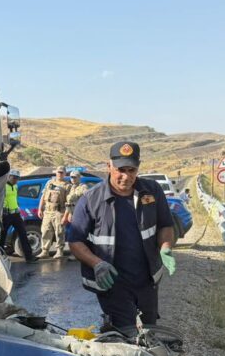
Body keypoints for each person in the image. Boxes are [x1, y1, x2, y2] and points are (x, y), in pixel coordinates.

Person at [66, 141, 177, 334]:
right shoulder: (91, 200)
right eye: (120, 170)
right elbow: (75, 241)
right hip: (112, 283)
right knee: (125, 333)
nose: (126, 176)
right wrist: (96, 263)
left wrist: (166, 246)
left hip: (147, 282)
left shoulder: (152, 192)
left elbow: (166, 225)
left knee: (150, 331)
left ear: (138, 167)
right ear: (108, 166)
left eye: (131, 170)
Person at [37, 166, 71, 258]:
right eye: (58, 172)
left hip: (59, 212)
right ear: (56, 173)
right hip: (48, 211)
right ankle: (45, 251)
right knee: (45, 231)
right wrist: (40, 209)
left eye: (62, 172)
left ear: (65, 174)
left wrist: (66, 215)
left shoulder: (67, 185)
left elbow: (69, 202)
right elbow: (43, 197)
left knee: (59, 232)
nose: (60, 174)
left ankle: (59, 251)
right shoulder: (49, 183)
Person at [1, 169, 34, 261]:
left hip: (16, 214)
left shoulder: (15, 186)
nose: (16, 180)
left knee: (23, 234)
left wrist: (18, 208)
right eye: (14, 177)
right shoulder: (3, 187)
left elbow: (15, 198)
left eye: (17, 178)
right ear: (9, 176)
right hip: (6, 215)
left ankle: (29, 257)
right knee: (2, 236)